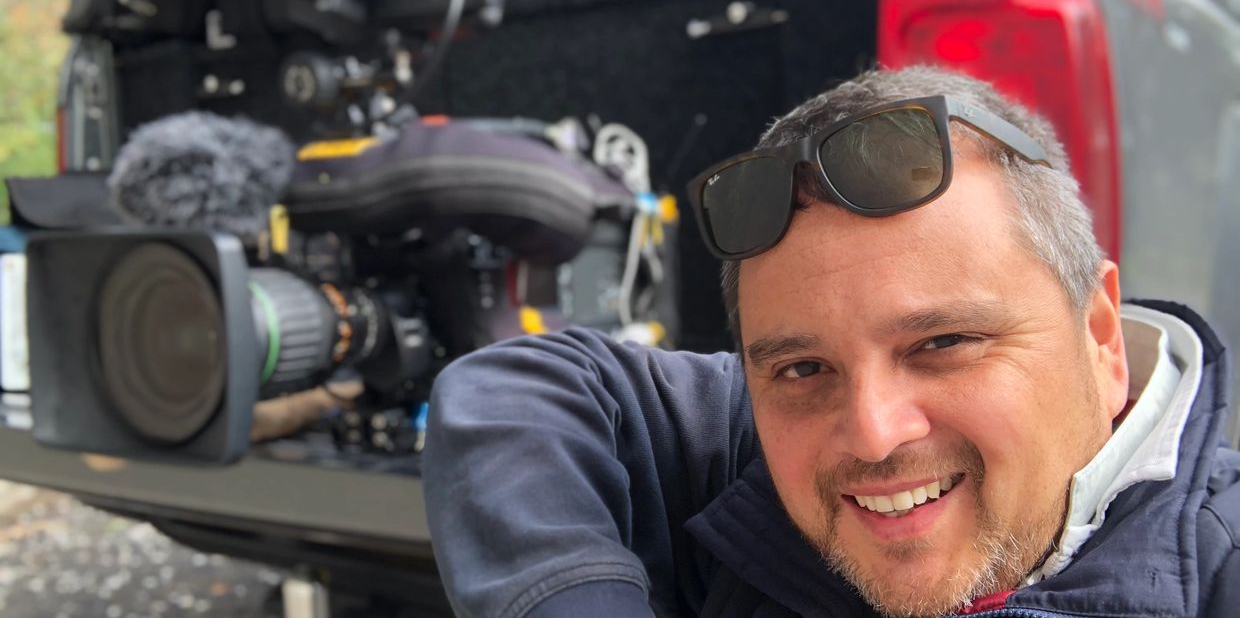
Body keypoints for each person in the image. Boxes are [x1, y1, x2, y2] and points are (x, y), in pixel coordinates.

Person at [422, 67, 1240, 618]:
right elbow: (519, 391)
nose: (875, 431)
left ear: (1099, 335)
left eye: (943, 343)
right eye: (803, 366)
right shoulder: (750, 447)